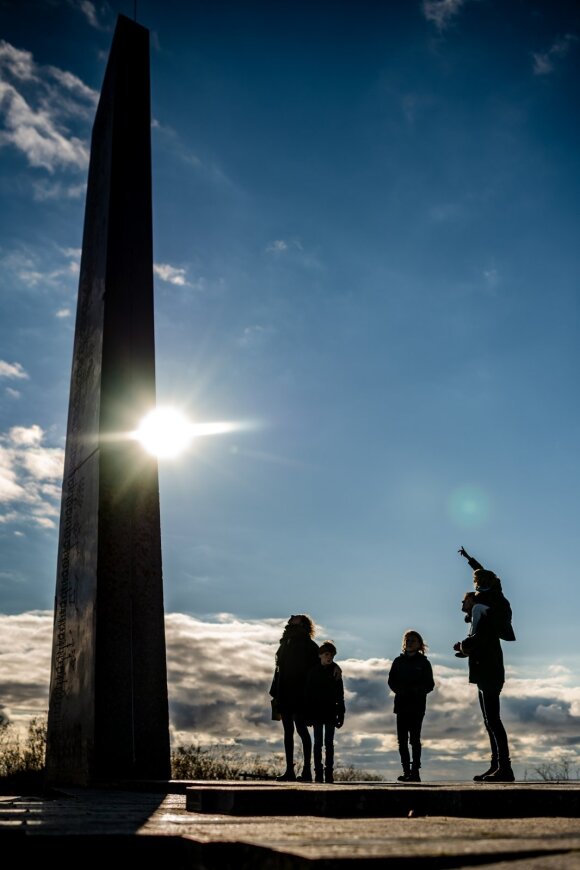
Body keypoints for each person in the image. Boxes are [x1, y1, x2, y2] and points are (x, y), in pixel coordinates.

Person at [453, 588, 515, 783]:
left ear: (473, 600)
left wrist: (463, 646)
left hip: (490, 674)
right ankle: (497, 766)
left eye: (464, 601)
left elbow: (479, 639)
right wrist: (465, 650)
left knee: (493, 721)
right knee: (490, 722)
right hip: (486, 674)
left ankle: (505, 768)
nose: (462, 605)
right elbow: (481, 644)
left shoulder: (482, 614)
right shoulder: (478, 619)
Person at [269, 614, 320, 782]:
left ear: (303, 623)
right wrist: (275, 690)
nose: (291, 617)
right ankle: (289, 771)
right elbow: (279, 668)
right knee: (288, 731)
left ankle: (306, 771)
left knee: (301, 729)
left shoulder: (309, 645)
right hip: (284, 691)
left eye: (296, 617)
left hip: (300, 694)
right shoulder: (285, 642)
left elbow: (317, 670)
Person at [387, 629, 434, 783]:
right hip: (401, 705)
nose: (409, 642)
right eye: (407, 639)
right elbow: (391, 681)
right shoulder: (398, 662)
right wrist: (401, 691)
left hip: (417, 706)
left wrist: (416, 691)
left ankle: (415, 772)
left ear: (419, 644)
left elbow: (429, 684)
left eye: (413, 640)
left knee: (414, 739)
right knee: (402, 740)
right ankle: (406, 771)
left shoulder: (424, 663)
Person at [304, 640, 345, 784]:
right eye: (327, 655)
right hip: (316, 712)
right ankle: (318, 772)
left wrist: (341, 714)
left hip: (330, 712)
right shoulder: (313, 672)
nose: (330, 658)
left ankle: (329, 772)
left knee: (329, 743)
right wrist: (307, 715)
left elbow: (340, 695)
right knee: (318, 743)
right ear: (320, 655)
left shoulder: (335, 672)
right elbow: (308, 695)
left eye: (332, 656)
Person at [458, 546, 516, 642]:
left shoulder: (495, 587)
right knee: (476, 608)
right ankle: (467, 646)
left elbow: (479, 569)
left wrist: (468, 558)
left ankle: (471, 638)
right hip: (491, 615)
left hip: (501, 615)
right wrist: (468, 616)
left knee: (477, 608)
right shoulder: (479, 594)